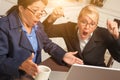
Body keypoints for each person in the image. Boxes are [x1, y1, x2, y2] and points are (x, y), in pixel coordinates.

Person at [0, 0, 83, 80]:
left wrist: (63, 55)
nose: (39, 16)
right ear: (21, 8)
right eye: (35, 10)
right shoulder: (3, 27)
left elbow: (47, 43)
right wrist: (20, 65)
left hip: (35, 74)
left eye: (42, 11)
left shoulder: (37, 25)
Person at [43, 5, 120, 67]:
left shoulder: (104, 33)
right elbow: (44, 32)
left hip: (97, 73)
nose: (87, 27)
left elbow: (118, 58)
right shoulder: (68, 28)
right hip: (73, 70)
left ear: (96, 25)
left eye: (92, 24)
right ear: (78, 20)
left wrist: (116, 36)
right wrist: (52, 17)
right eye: (84, 22)